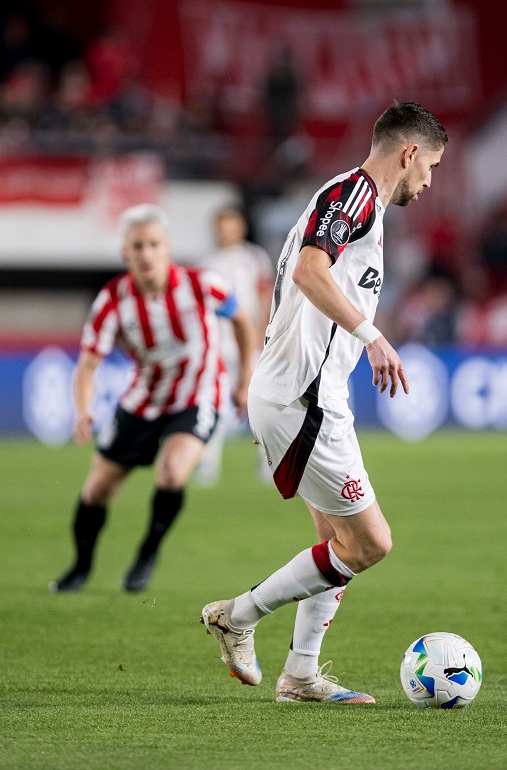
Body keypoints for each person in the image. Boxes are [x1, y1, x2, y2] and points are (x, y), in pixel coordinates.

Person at [200, 101, 446, 705]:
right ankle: (240, 615)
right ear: (409, 153)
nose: (430, 182)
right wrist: (375, 337)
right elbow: (312, 270)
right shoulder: (357, 194)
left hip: (306, 393)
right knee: (369, 544)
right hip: (301, 397)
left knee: (338, 545)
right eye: (431, 166)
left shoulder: (356, 203)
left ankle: (301, 676)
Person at [50, 204, 257, 594]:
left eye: (154, 245)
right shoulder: (112, 301)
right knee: (97, 490)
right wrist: (83, 410)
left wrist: (245, 378)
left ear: (167, 249)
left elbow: (243, 320)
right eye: (138, 246)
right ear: (125, 253)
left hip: (198, 396)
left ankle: (148, 552)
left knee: (172, 473)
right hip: (143, 400)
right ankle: (80, 567)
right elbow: (87, 366)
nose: (146, 253)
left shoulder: (203, 284)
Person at [196, 206, 274, 484]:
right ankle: (207, 465)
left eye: (229, 225)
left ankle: (268, 463)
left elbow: (264, 300)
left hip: (249, 342)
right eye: (220, 226)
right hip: (217, 344)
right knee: (212, 403)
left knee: (258, 405)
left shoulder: (255, 258)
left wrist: (266, 335)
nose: (224, 231)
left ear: (240, 227)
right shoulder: (206, 263)